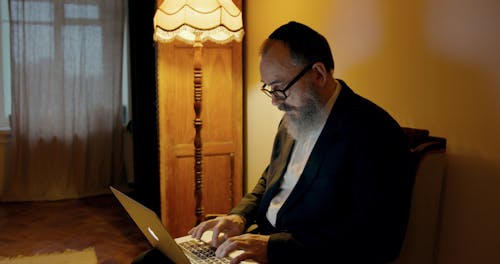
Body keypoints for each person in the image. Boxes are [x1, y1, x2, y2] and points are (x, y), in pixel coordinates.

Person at [135, 21, 413, 264]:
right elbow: (271, 178)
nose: (276, 102)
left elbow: (378, 241)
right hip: (261, 241)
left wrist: (272, 248)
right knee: (157, 258)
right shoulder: (294, 116)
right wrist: (239, 217)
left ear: (318, 73)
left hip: (304, 256)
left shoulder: (374, 132)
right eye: (269, 89)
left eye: (280, 88)